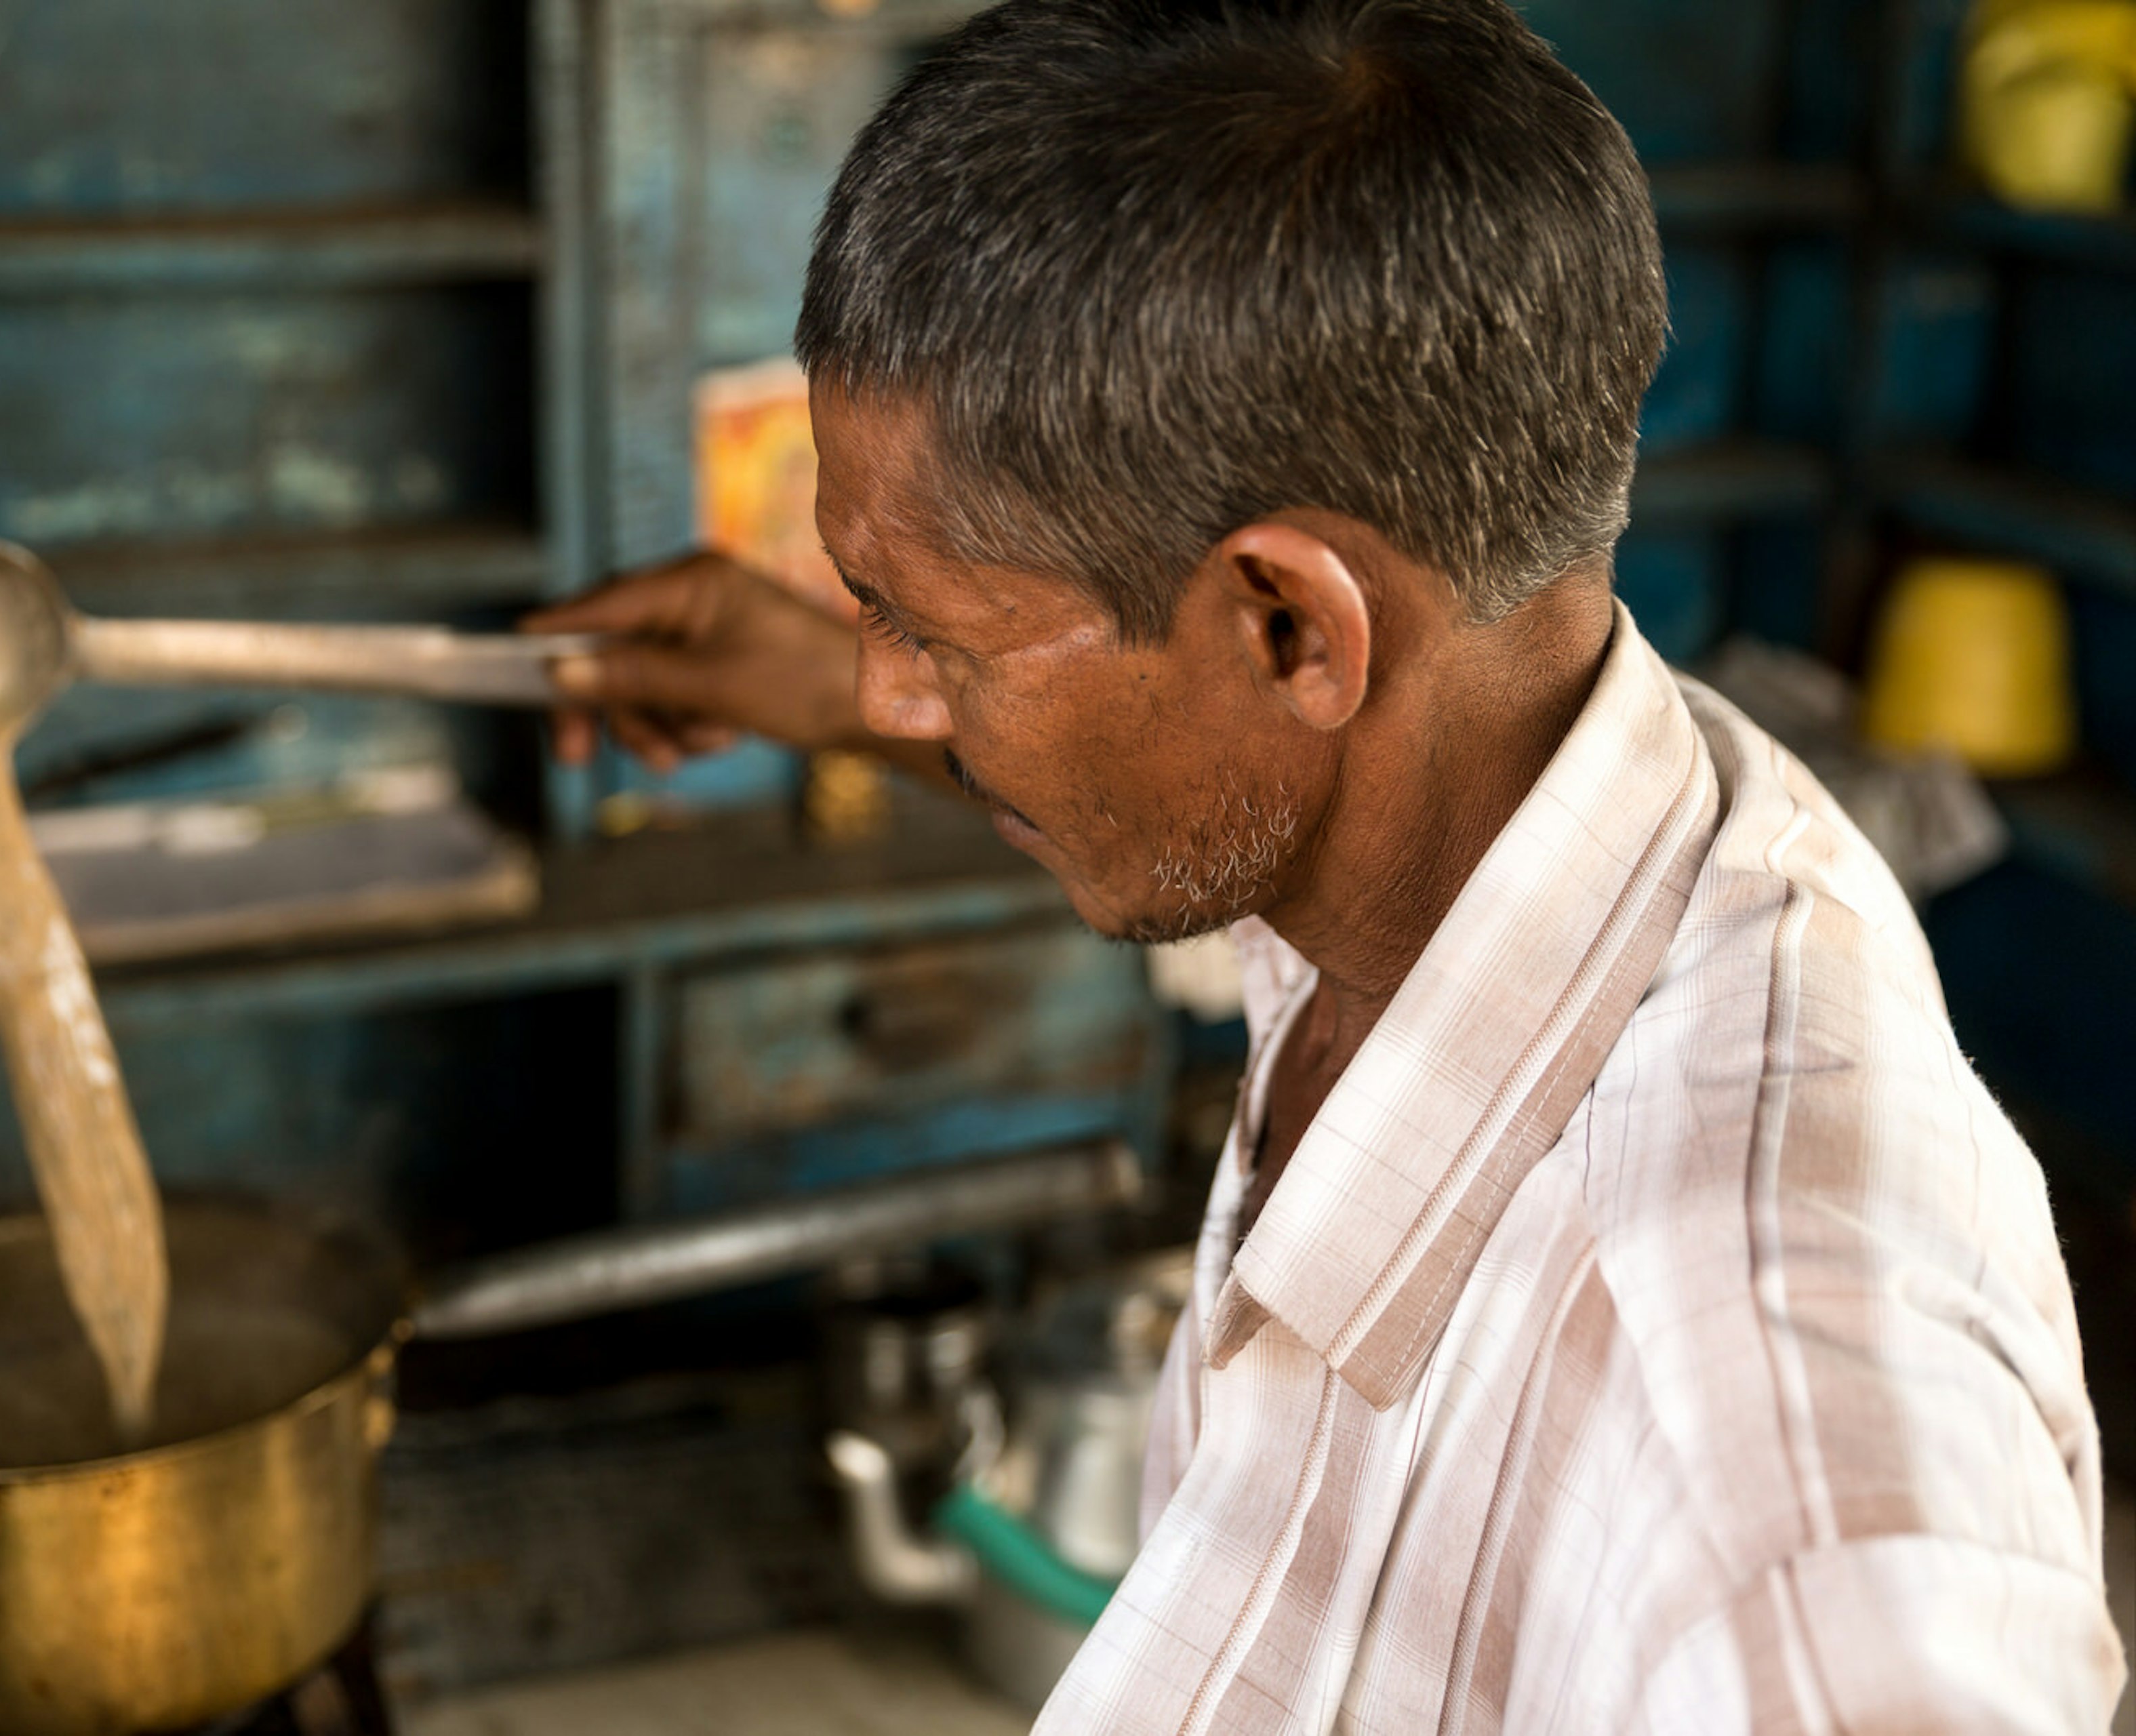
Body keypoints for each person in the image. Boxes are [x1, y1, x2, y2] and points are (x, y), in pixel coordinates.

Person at [527, 0, 2127, 1726]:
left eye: (935, 635)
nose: (885, 686)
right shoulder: (1498, 796)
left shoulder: (1754, 1440)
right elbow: (1184, 750)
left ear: (1295, 626)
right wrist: (825, 680)